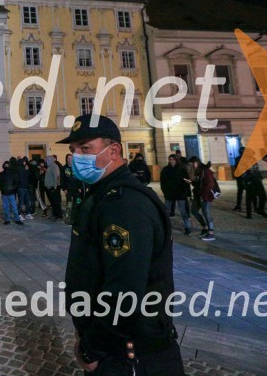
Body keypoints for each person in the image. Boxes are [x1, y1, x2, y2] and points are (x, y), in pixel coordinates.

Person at [61, 114, 184, 376]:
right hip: (117, 348)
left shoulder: (124, 205)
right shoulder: (104, 193)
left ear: (113, 151)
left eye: (86, 148)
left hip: (130, 355)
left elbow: (125, 291)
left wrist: (91, 348)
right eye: (73, 150)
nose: (76, 157)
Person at [160, 155, 191, 236]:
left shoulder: (182, 170)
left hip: (180, 193)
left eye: (173, 159)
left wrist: (187, 193)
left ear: (176, 160)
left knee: (183, 211)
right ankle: (166, 227)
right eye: (170, 159)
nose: (171, 161)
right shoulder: (166, 169)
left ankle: (188, 227)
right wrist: (164, 190)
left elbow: (187, 181)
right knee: (166, 211)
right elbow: (162, 181)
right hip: (169, 193)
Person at [188, 157, 217, 241]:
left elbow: (209, 184)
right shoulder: (198, 171)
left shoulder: (206, 171)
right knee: (194, 210)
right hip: (198, 195)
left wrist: (202, 193)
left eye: (192, 164)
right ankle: (205, 228)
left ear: (196, 162)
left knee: (206, 212)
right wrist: (192, 182)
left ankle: (211, 233)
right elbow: (199, 184)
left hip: (205, 196)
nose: (192, 166)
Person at [0, 160, 23, 225]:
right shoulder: (1, 174)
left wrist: (13, 189)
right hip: (4, 193)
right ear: (3, 166)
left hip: (11, 193)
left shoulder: (13, 173)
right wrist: (2, 189)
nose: (6, 166)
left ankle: (17, 219)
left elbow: (16, 182)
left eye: (7, 165)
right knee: (6, 207)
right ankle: (7, 219)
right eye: (5, 165)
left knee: (14, 207)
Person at [44, 155, 63, 220]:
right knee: (53, 202)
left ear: (51, 160)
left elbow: (57, 177)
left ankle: (59, 215)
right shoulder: (49, 166)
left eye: (47, 160)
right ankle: (54, 214)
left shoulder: (54, 166)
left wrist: (55, 187)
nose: (46, 161)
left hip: (53, 188)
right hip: (49, 188)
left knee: (55, 202)